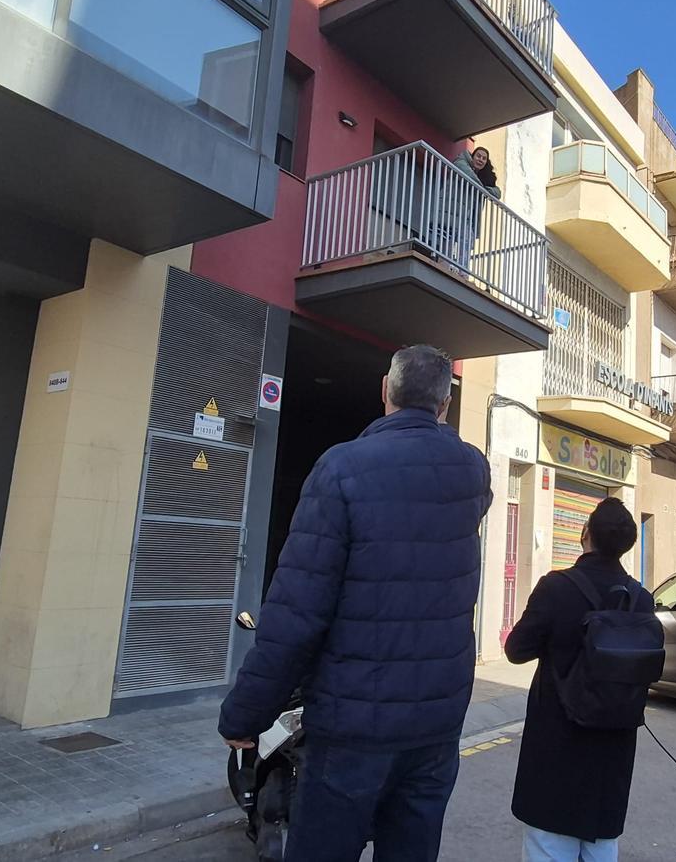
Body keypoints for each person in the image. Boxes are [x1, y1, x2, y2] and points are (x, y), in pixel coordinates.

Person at [219, 344, 492, 862]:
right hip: (436, 724)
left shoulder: (343, 468)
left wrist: (245, 715)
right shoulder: (471, 472)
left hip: (352, 728)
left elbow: (296, 613)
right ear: (445, 405)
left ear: (384, 391)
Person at [504, 498, 653, 862]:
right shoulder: (641, 600)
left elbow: (516, 650)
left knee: (548, 844)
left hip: (557, 745)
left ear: (584, 535)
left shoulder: (556, 587)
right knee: (600, 847)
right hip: (612, 754)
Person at [448, 146, 501, 270]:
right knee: (448, 238)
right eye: (478, 156)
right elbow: (468, 175)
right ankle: (445, 265)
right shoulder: (461, 162)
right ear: (472, 156)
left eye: (484, 158)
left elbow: (497, 193)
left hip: (469, 217)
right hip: (453, 210)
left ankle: (462, 272)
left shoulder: (484, 177)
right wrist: (482, 187)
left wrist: (484, 189)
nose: (481, 160)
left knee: (466, 243)